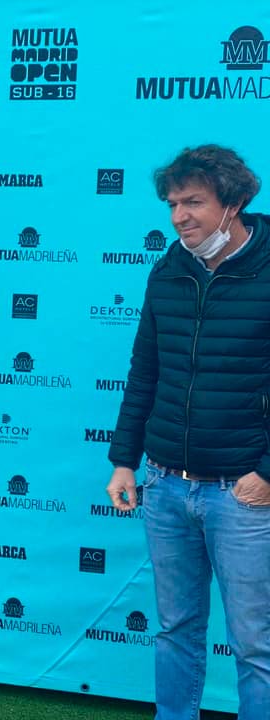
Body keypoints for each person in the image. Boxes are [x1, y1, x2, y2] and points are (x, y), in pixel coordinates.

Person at [106, 144, 270, 720]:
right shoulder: (168, 270)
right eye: (173, 204)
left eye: (194, 202)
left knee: (256, 643)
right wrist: (124, 460)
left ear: (234, 202)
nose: (179, 217)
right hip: (166, 485)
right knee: (175, 630)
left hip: (242, 493)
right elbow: (145, 371)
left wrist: (266, 474)